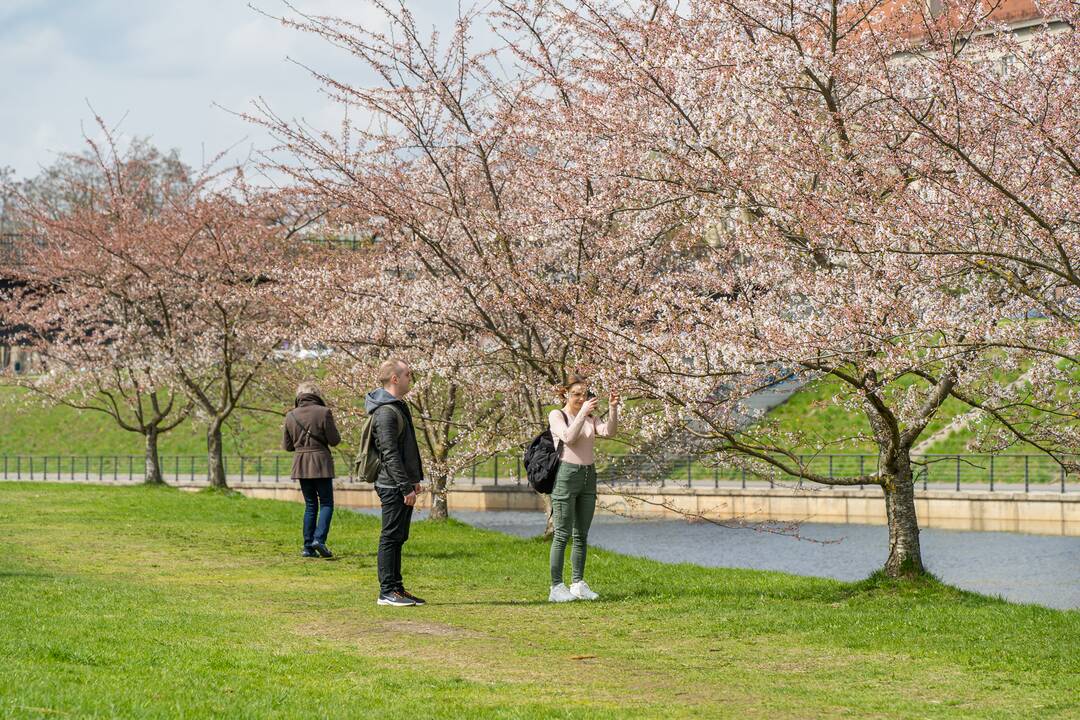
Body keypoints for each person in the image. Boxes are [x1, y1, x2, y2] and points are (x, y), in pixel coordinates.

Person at [547, 373, 619, 602]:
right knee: (562, 534)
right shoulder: (557, 415)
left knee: (581, 535)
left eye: (585, 394)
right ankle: (556, 587)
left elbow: (609, 432)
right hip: (566, 475)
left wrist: (613, 408)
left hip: (589, 475)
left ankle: (577, 583)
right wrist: (581, 413)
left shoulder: (590, 418)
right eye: (576, 394)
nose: (581, 398)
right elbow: (568, 437)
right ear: (565, 394)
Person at [366, 358, 426, 607]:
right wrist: (404, 486)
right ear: (394, 378)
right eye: (407, 375)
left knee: (399, 535)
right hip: (392, 485)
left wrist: (414, 480)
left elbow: (405, 449)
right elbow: (389, 453)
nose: (410, 378)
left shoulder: (398, 407)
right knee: (390, 535)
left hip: (402, 483)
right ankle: (387, 591)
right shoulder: (385, 412)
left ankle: (397, 588)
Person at [282, 381, 342, 558]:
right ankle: (319, 539)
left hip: (301, 463)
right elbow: (334, 440)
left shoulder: (290, 415)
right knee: (326, 503)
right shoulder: (324, 412)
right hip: (321, 462)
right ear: (317, 395)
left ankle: (307, 547)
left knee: (310, 505)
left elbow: (287, 446)